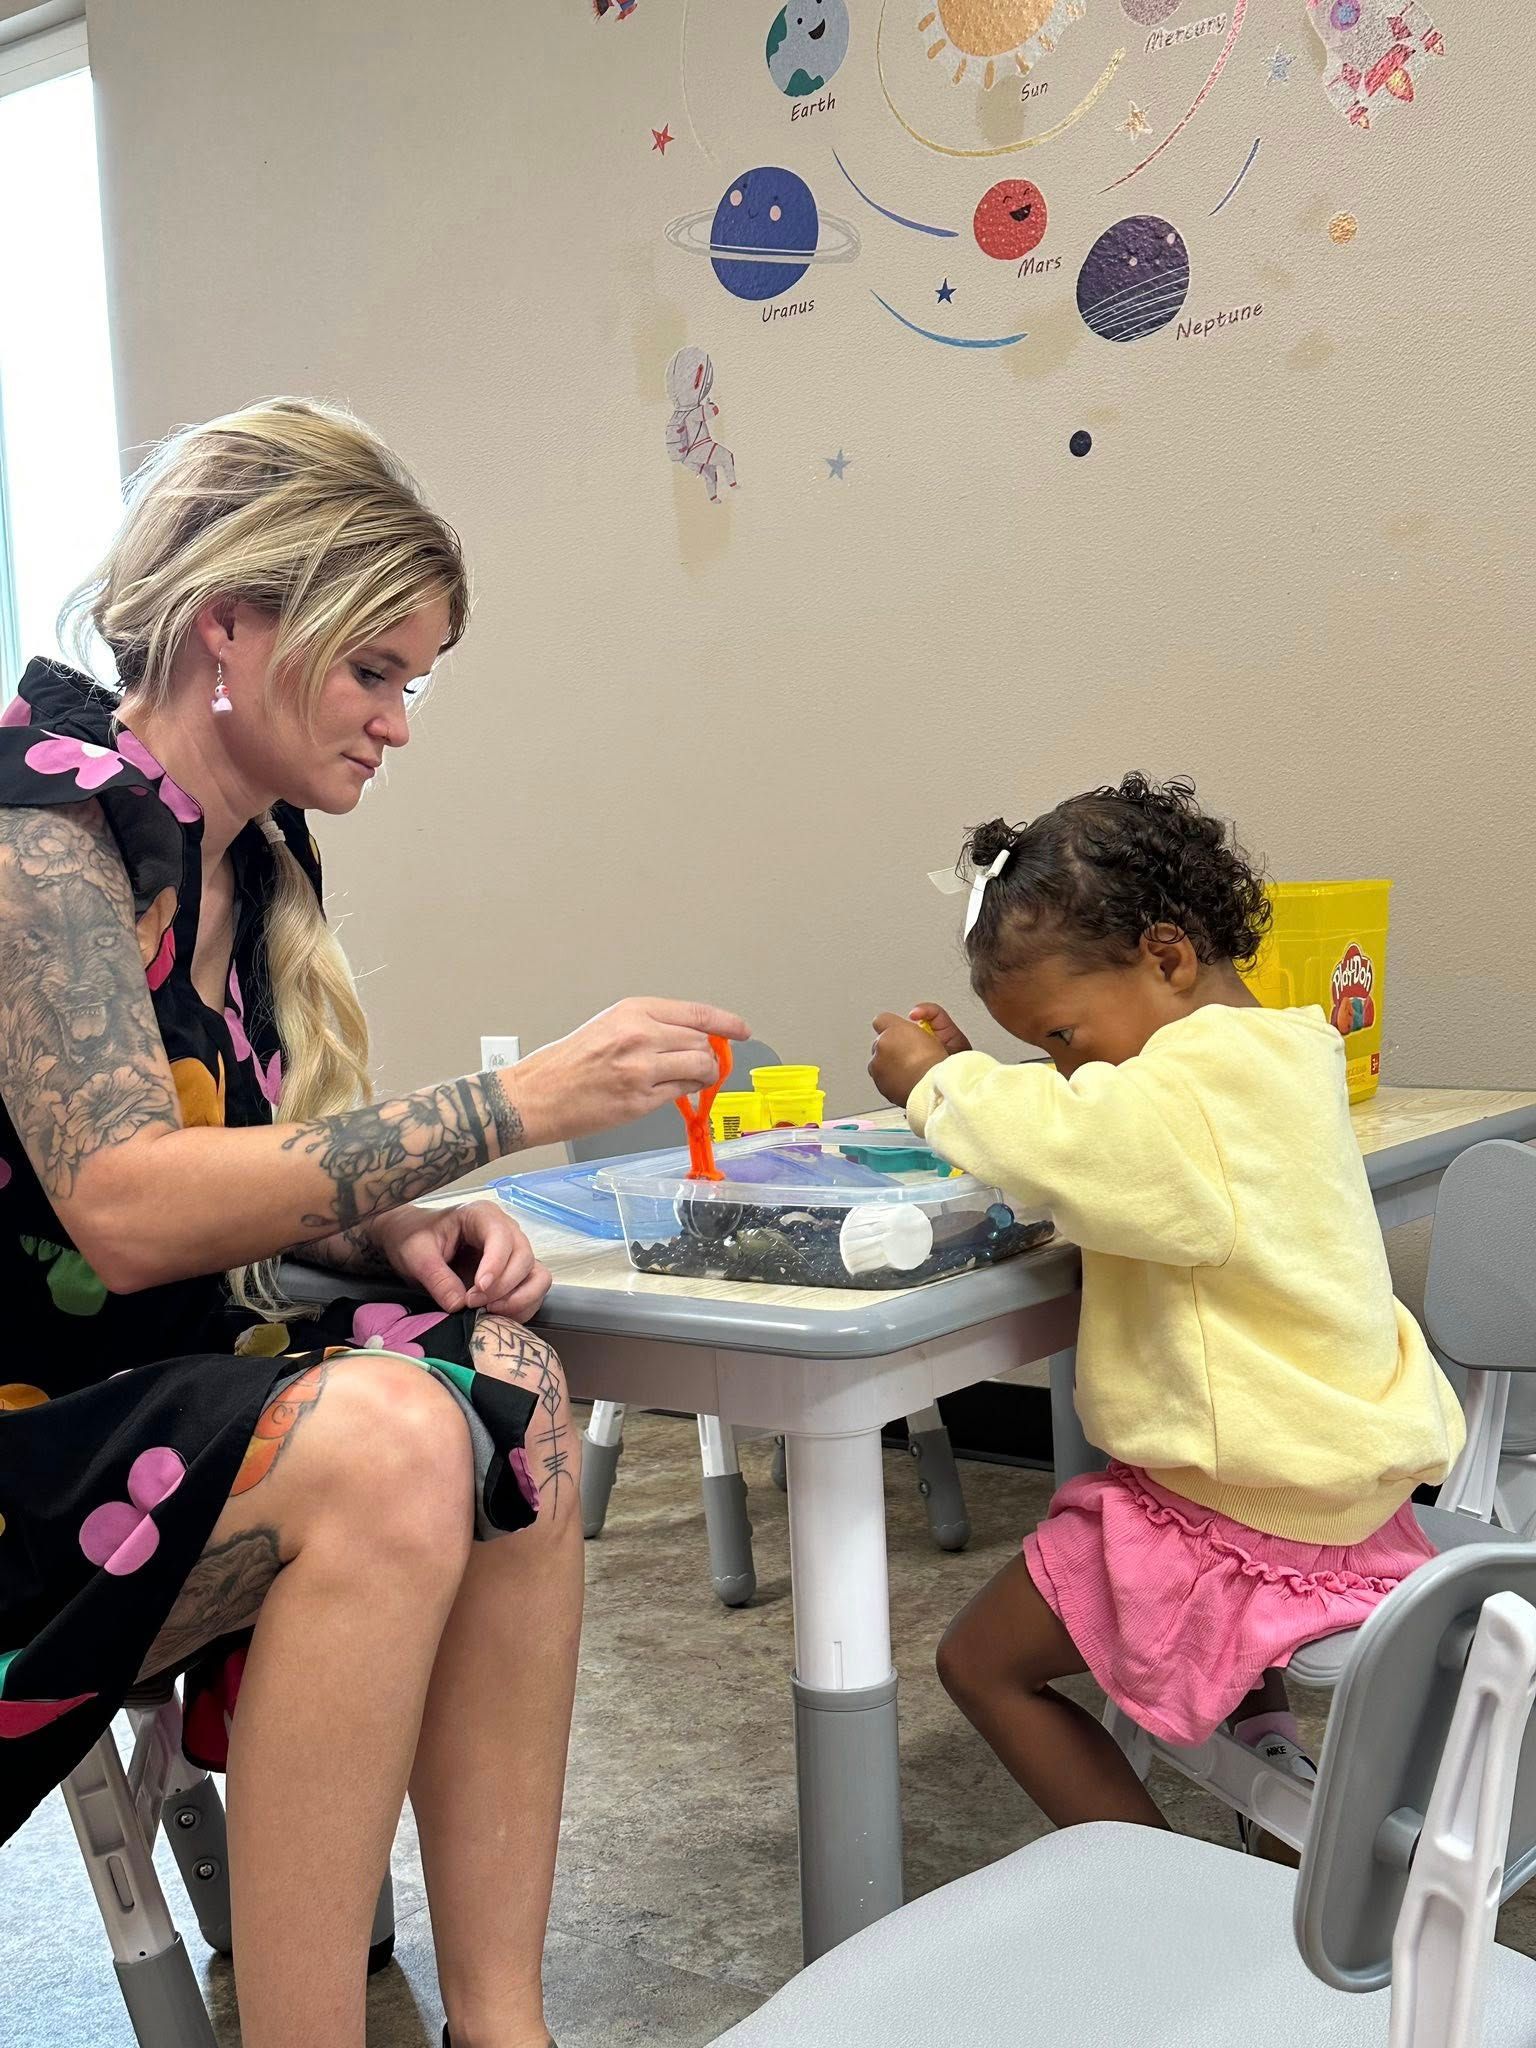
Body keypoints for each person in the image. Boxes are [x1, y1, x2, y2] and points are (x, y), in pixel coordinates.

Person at [0, 397, 747, 2048]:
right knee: (396, 1441)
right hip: (32, 1452)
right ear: (233, 626)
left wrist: (386, 1229)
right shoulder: (37, 825)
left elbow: (231, 1166)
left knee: (510, 1390)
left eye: (417, 677)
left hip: (143, 1407)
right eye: (375, 669)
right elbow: (122, 1206)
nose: (400, 721)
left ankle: (503, 2022)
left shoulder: (248, 859)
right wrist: (515, 1103)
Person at [867, 774, 1463, 1836]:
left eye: (1061, 1034)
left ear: (1168, 954)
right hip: (1350, 1492)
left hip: (1247, 1505)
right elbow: (1094, 1122)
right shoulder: (1280, 1051)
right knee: (1130, 1497)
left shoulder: (1189, 1087)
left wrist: (933, 1084)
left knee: (982, 1665)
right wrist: (997, 1071)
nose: (1063, 1063)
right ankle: (1262, 1755)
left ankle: (1155, 1877)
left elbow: (1074, 1138)